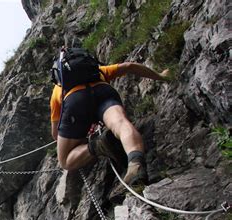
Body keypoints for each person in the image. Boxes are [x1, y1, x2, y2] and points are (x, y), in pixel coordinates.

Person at [50, 52, 170, 191]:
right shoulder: (98, 71)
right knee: (120, 123)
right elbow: (129, 66)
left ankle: (99, 145)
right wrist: (161, 76)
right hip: (103, 91)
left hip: (74, 101)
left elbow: (55, 135)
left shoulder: (58, 89)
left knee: (65, 160)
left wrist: (79, 138)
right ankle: (136, 163)